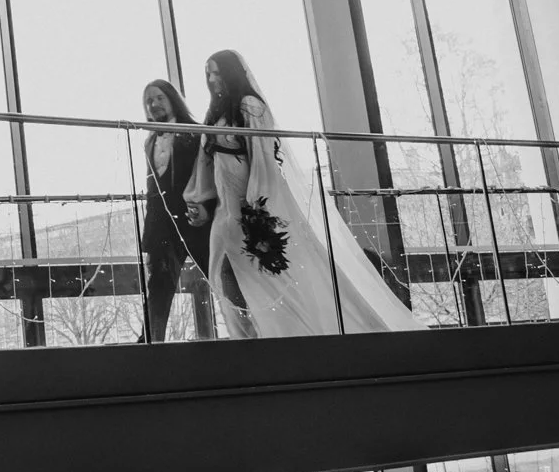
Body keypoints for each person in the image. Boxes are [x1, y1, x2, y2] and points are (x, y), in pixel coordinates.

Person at [186, 50, 424, 339]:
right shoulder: (216, 114)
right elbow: (208, 164)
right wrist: (198, 199)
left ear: (230, 72)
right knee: (224, 278)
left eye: (216, 72)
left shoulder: (249, 106)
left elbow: (263, 161)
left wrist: (257, 207)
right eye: (207, 73)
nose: (212, 80)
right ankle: (249, 340)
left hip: (248, 210)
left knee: (255, 280)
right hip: (225, 214)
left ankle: (278, 338)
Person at [138, 78, 210, 341]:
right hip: (162, 227)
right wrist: (149, 237)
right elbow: (152, 193)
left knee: (221, 278)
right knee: (158, 288)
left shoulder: (196, 131)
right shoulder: (149, 141)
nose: (153, 104)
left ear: (171, 99)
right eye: (148, 100)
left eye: (158, 98)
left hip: (196, 221)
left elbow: (210, 176)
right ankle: (151, 345)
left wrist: (207, 209)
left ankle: (252, 332)